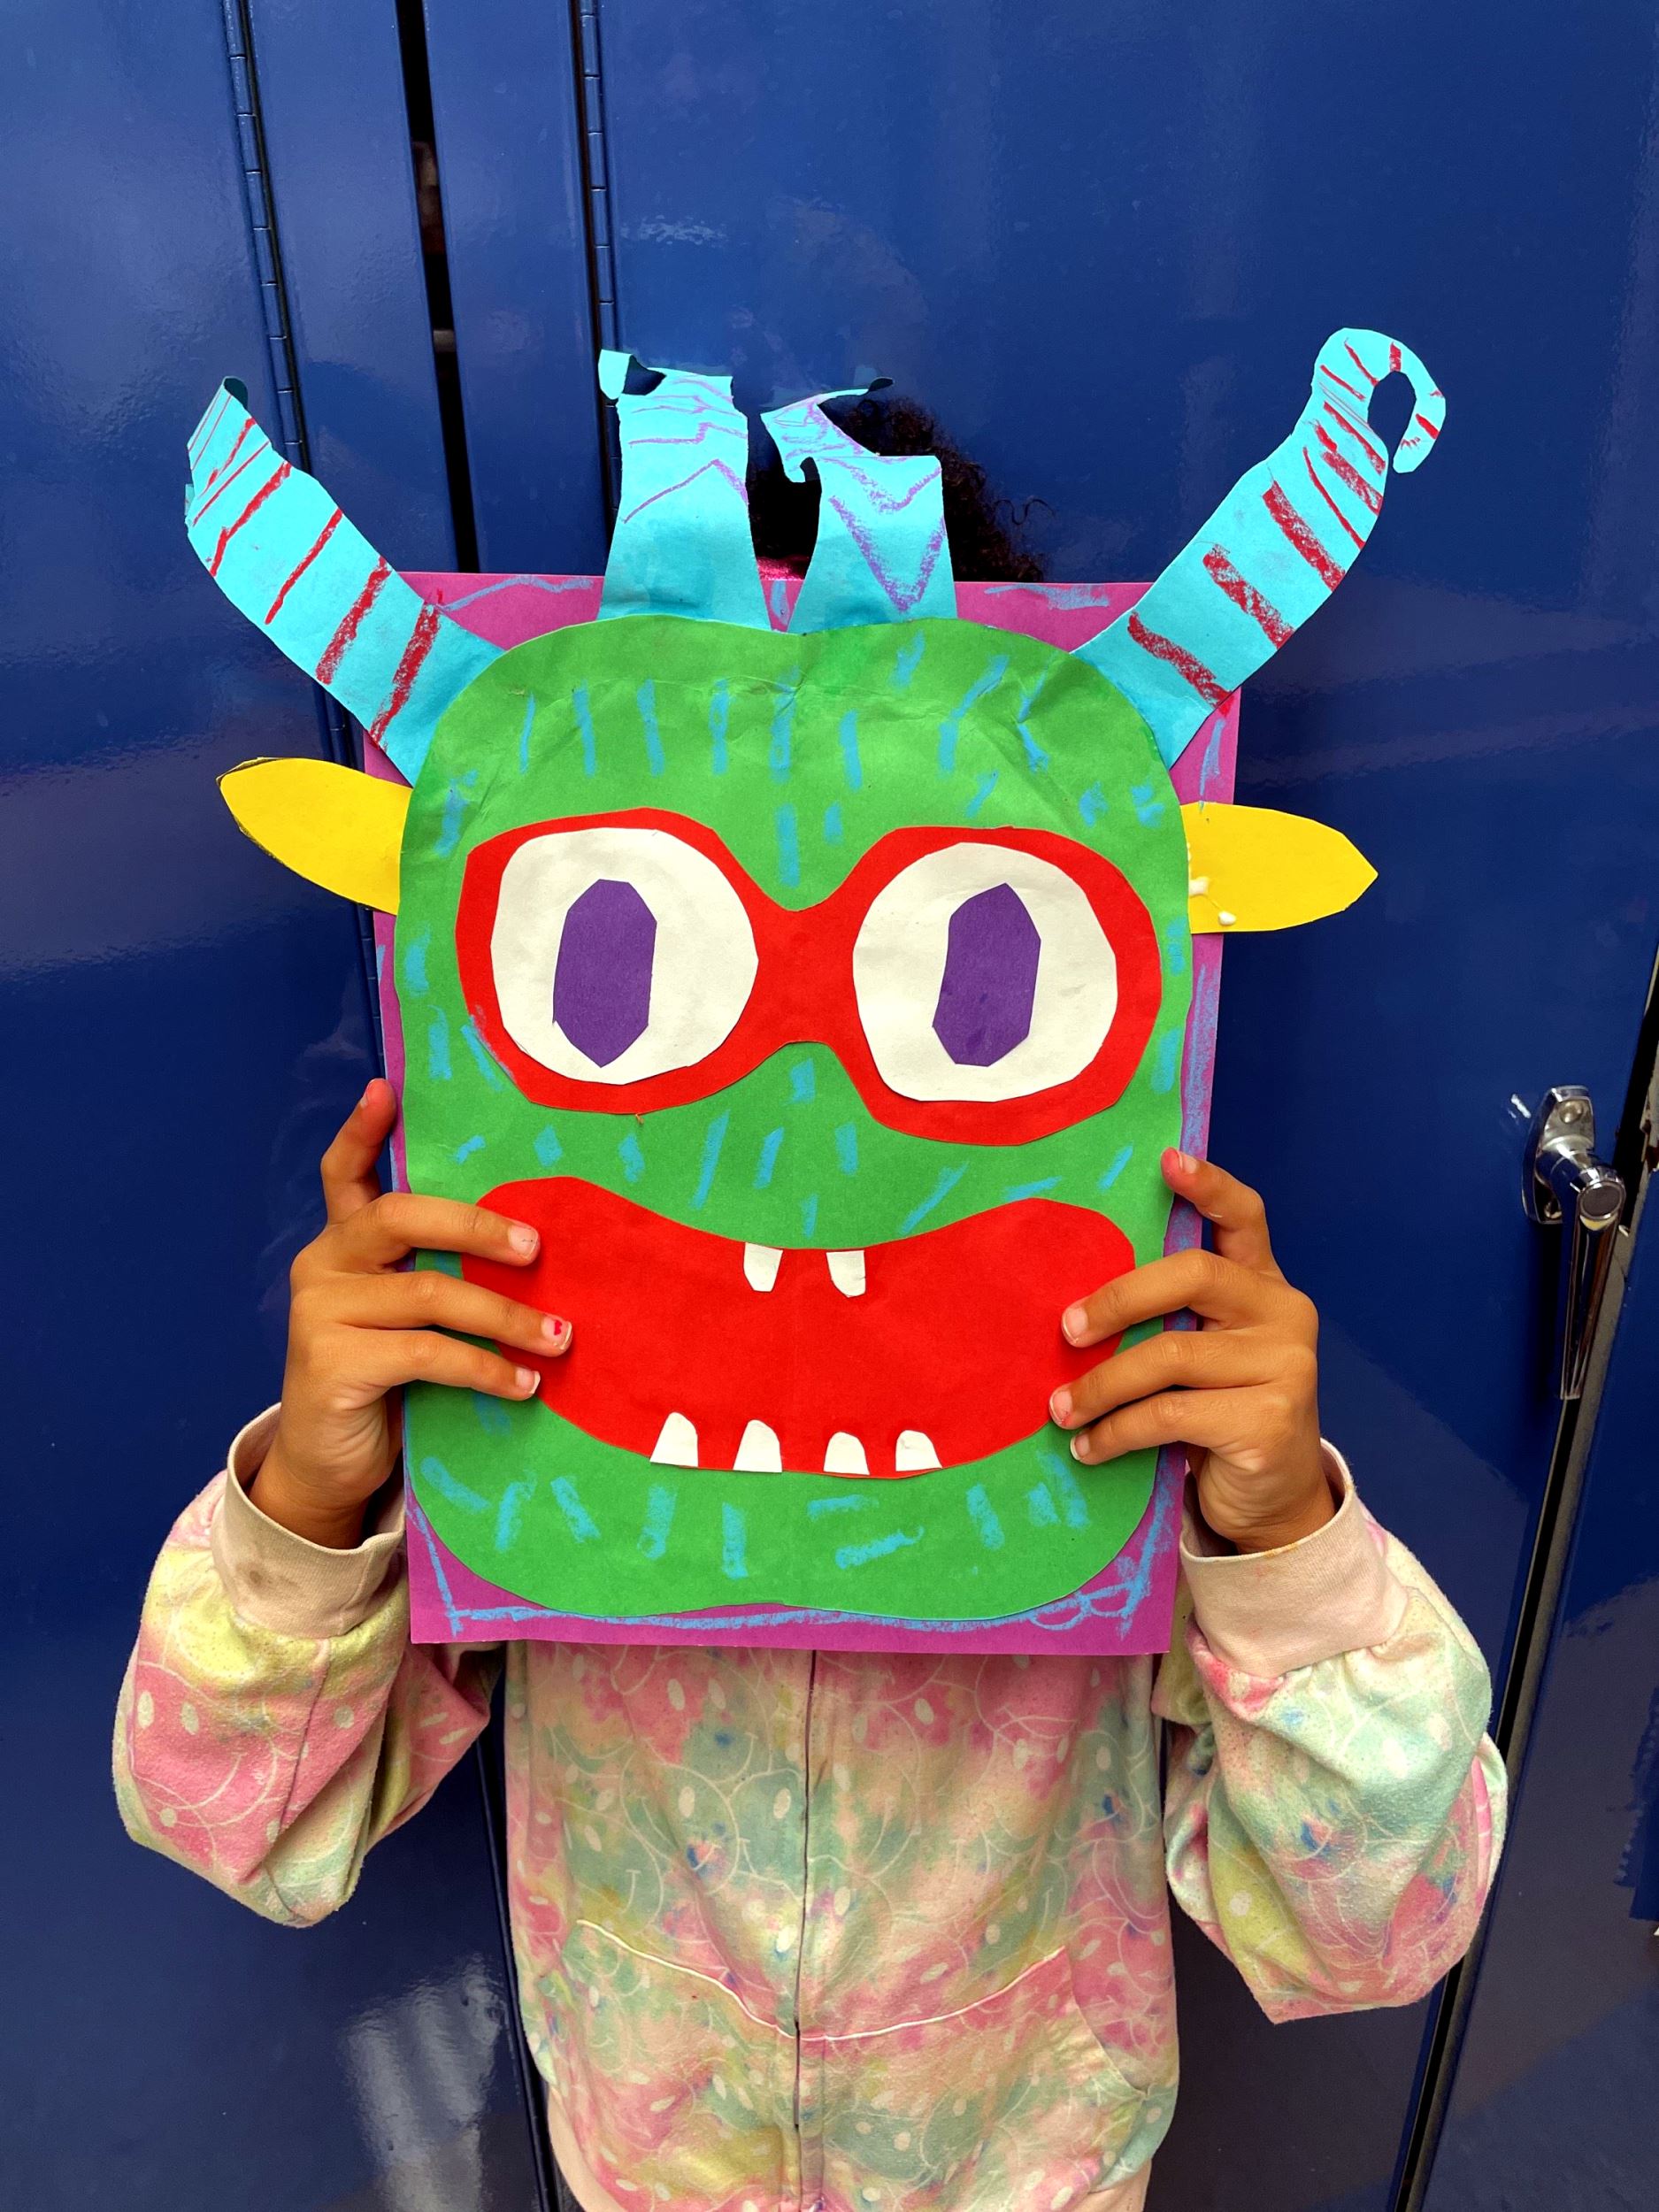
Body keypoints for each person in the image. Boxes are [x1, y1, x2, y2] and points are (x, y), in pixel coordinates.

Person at [116, 1078, 1505, 2212]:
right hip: (647, 2161)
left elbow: (1378, 1931)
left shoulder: (1114, 1416)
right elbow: (228, 1817)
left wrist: (1283, 1543)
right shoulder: (526, 1414)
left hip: (1033, 2164)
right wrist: (313, 1499)